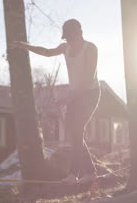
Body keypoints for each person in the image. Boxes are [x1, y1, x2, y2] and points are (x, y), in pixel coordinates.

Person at [11, 19, 100, 184]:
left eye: (70, 37)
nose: (68, 41)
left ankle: (75, 174)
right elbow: (46, 51)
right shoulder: (65, 47)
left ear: (79, 32)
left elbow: (88, 78)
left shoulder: (90, 48)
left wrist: (68, 98)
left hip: (90, 93)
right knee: (74, 132)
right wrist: (24, 45)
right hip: (75, 94)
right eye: (66, 38)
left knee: (77, 129)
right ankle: (90, 172)